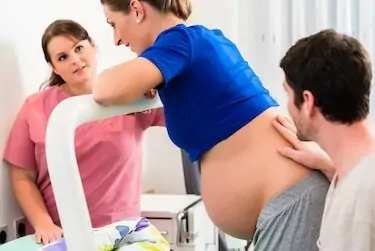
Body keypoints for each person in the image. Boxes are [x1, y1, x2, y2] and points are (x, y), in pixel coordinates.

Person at [92, 0, 330, 250]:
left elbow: (104, 88)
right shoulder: (196, 45)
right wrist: (147, 76)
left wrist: (139, 75)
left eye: (113, 24)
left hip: (292, 206)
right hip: (287, 207)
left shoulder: (181, 42)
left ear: (137, 9)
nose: (116, 39)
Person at [2, 19, 164, 245]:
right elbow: (22, 177)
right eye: (62, 57)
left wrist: (158, 84)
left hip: (122, 231)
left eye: (78, 48)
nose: (75, 60)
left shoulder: (129, 95)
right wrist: (43, 222)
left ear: (93, 46)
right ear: (54, 67)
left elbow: (185, 117)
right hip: (60, 234)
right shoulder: (35, 108)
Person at [277, 29, 375, 250]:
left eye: (287, 94)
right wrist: (327, 164)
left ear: (308, 101)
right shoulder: (353, 174)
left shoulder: (359, 202)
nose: (287, 107)